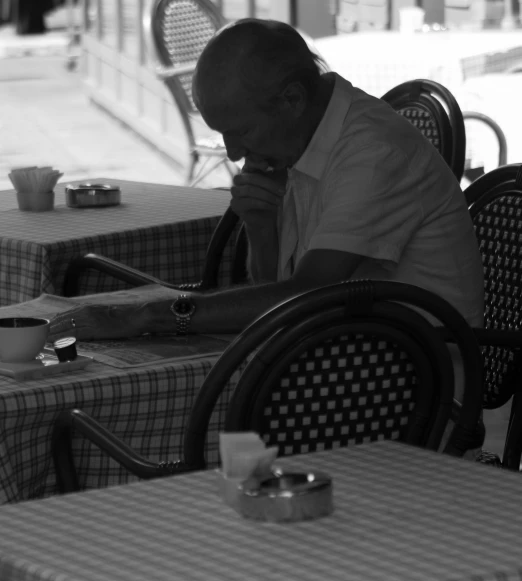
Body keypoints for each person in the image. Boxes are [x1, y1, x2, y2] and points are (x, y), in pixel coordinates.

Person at [50, 18, 484, 345]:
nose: (235, 153)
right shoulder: (304, 138)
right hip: (336, 350)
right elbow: (277, 292)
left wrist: (154, 314)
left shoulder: (371, 153)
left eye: (242, 132)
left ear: (292, 99)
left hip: (415, 385)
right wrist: (261, 225)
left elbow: (311, 293)